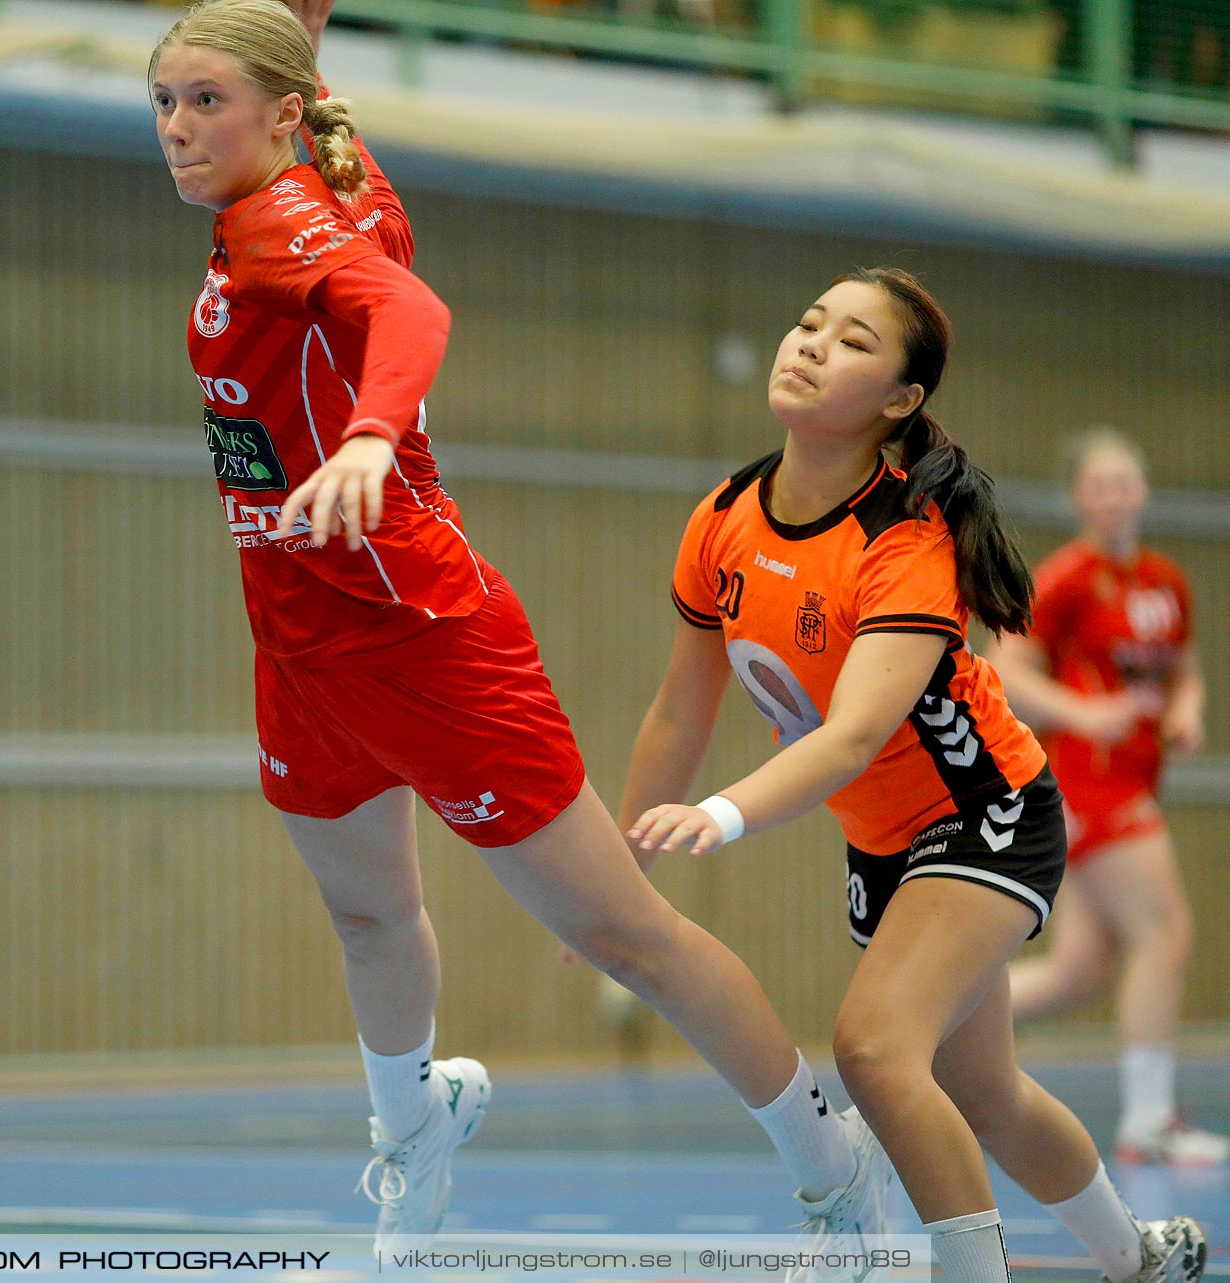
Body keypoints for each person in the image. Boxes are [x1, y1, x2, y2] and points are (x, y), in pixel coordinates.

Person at [149, 0, 890, 1257]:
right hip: (302, 643)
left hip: (423, 637)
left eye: (203, 101)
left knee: (624, 934)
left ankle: (834, 1166)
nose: (176, 127)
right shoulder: (331, 163)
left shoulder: (281, 226)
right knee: (371, 917)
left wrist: (374, 435)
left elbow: (413, 315)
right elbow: (300, 76)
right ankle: (417, 1128)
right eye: (163, 102)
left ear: (277, 115)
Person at [622, 268, 1207, 1283]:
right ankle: (1140, 1256)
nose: (809, 343)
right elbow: (681, 706)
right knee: (986, 1088)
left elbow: (851, 737)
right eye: (808, 321)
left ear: (901, 400)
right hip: (887, 840)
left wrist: (720, 814)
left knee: (877, 1048)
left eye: (852, 340)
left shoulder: (905, 537)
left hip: (987, 810)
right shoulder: (723, 514)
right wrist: (619, 877)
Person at [992, 428, 1225, 1166]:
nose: (1115, 494)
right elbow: (1005, 667)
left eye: (1126, 480)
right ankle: (1150, 1121)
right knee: (1166, 931)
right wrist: (1083, 712)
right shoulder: (1065, 578)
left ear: (1144, 490)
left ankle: (926, 1031)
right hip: (1093, 782)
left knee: (1080, 970)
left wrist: (1187, 708)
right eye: (1100, 483)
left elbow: (1184, 668)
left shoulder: (1164, 580)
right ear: (1079, 498)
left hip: (1135, 774)